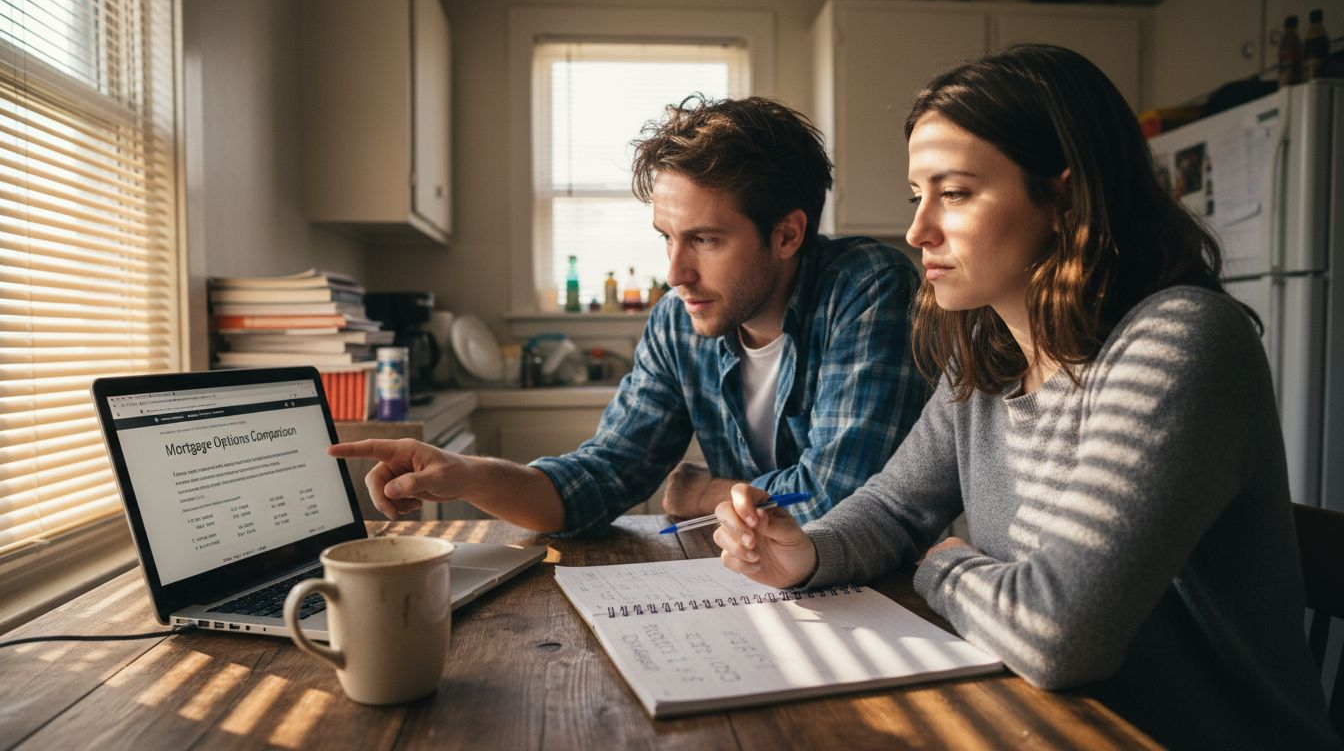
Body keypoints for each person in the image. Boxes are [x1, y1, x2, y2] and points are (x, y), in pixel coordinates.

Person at [711, 46, 1339, 749]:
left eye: (953, 193)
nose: (918, 230)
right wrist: (804, 553)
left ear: (1064, 197)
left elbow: (1057, 635)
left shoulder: (1179, 342)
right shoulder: (989, 360)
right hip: (1050, 726)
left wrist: (939, 561)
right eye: (918, 195)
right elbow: (894, 507)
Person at [330, 95, 925, 536]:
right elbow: (601, 477)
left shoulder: (868, 287)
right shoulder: (677, 322)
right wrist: (467, 475)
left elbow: (839, 502)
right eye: (666, 237)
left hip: (882, 598)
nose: (675, 272)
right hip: (759, 585)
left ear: (788, 233)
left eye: (705, 240)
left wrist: (702, 494)